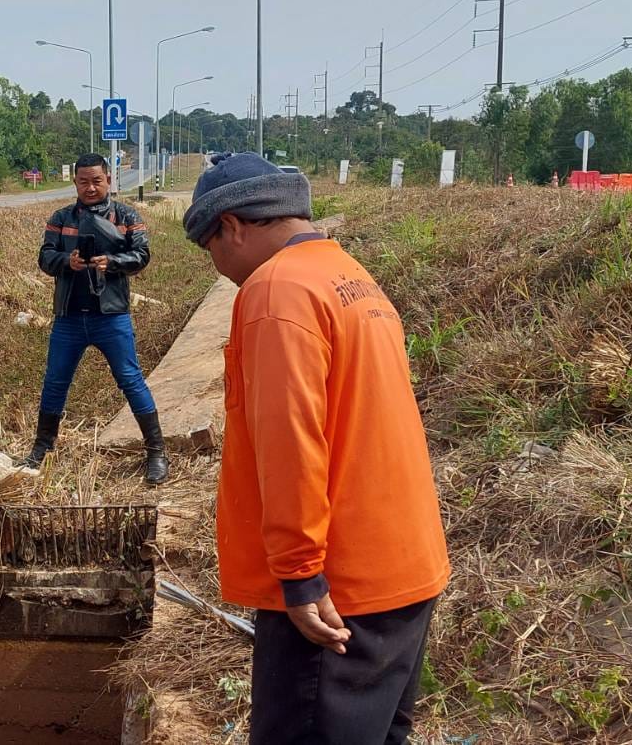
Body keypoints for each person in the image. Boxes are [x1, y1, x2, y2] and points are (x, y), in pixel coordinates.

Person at [183, 153, 450, 744]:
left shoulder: (276, 290)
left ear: (231, 226)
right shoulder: (348, 275)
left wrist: (300, 576)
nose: (220, 269)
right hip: (402, 572)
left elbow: (291, 441)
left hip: (335, 592)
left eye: (210, 250)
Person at [23, 152, 167, 485]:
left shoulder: (126, 216)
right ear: (75, 183)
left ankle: (156, 452)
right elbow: (45, 257)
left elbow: (142, 254)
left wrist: (112, 263)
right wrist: (67, 261)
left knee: (131, 380)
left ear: (109, 181)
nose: (90, 188)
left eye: (97, 181)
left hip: (111, 316)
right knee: (55, 382)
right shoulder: (60, 218)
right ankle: (41, 449)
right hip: (69, 316)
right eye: (84, 182)